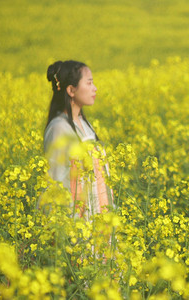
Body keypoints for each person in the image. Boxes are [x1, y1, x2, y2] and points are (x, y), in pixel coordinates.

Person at [43, 60, 113, 219]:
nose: (94, 88)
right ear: (71, 90)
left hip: (98, 220)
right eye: (89, 83)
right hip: (77, 226)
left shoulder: (84, 125)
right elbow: (56, 182)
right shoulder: (59, 128)